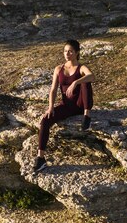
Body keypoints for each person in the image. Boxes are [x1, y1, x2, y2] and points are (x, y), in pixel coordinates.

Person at [32, 39, 95, 173]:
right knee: (45, 121)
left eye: (70, 51)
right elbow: (53, 90)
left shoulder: (81, 67)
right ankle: (41, 158)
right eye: (65, 51)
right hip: (66, 106)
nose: (67, 54)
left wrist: (76, 82)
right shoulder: (58, 69)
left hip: (80, 104)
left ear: (77, 53)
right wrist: (51, 107)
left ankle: (87, 116)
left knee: (85, 81)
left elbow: (92, 76)